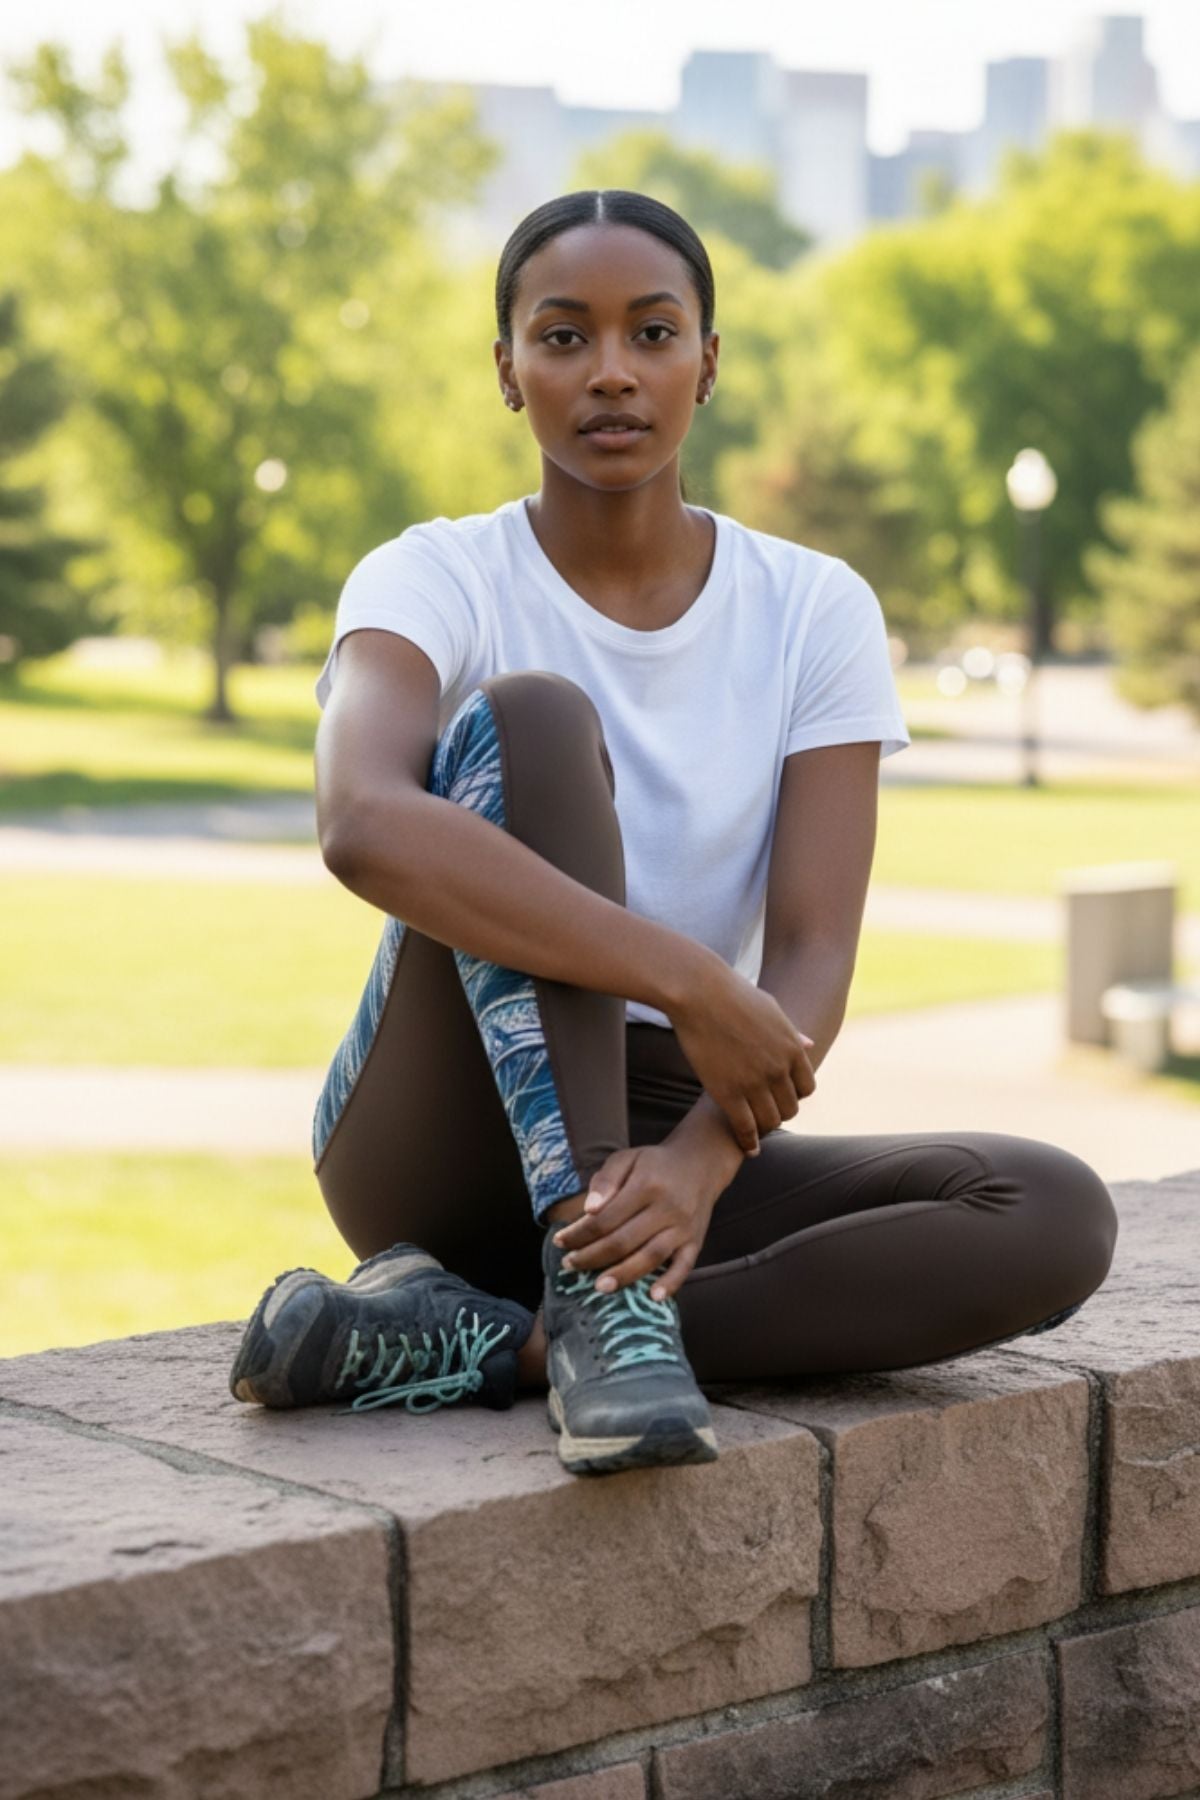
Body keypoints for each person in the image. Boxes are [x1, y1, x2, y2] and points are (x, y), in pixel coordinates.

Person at [228, 189, 1119, 1478]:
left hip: (668, 1118)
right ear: (506, 369)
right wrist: (689, 977)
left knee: (1049, 1210)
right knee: (533, 723)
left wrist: (702, 1159)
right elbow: (361, 820)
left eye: (653, 334)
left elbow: (812, 953)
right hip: (448, 1113)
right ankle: (599, 1300)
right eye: (562, 336)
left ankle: (501, 1343)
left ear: (709, 361)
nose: (610, 374)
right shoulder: (432, 576)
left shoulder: (812, 607)